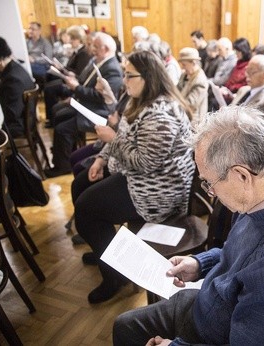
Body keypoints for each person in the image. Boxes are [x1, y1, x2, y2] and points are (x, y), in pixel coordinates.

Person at [112, 106, 264, 345]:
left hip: (216, 332)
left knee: (127, 331)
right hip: (211, 306)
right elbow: (243, 256)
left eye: (209, 183)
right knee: (124, 326)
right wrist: (199, 263)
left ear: (242, 176)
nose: (211, 193)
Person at [72, 50, 195, 304]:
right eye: (124, 73)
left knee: (86, 210)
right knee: (80, 183)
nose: (124, 80)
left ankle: (115, 275)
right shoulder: (139, 100)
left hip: (157, 191)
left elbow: (146, 163)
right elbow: (123, 134)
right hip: (138, 176)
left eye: (130, 75)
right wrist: (101, 158)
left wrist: (112, 141)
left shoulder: (161, 113)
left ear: (148, 77)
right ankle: (103, 246)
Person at [45, 32, 123, 177]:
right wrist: (74, 80)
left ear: (105, 49)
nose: (92, 49)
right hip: (88, 106)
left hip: (99, 112)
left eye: (96, 46)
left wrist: (76, 88)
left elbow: (100, 98)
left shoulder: (112, 68)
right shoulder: (99, 60)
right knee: (59, 115)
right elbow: (85, 80)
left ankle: (62, 166)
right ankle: (63, 154)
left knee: (63, 128)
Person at [44, 25, 92, 128]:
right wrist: (62, 68)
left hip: (76, 83)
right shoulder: (77, 51)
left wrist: (63, 69)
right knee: (49, 84)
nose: (69, 41)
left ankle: (52, 120)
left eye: (71, 39)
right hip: (71, 80)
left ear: (78, 39)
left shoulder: (83, 53)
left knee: (50, 89)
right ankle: (51, 119)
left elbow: (79, 73)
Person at [0, 34, 36, 138]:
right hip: (17, 120)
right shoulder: (9, 68)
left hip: (17, 125)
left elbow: (11, 114)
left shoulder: (13, 78)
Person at [229, 54, 264, 122]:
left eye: (252, 72)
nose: (247, 75)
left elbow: (253, 130)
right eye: (247, 70)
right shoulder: (243, 89)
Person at [177, 47, 209, 124]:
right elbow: (176, 91)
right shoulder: (184, 75)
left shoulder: (200, 80)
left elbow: (190, 104)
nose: (182, 67)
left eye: (184, 65)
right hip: (182, 115)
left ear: (193, 63)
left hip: (193, 122)